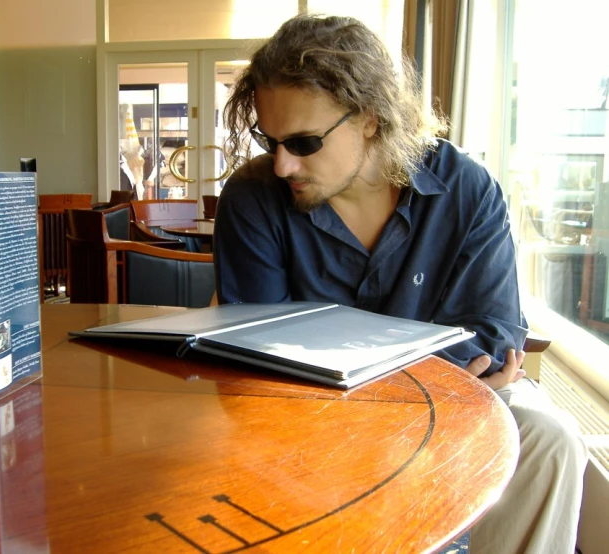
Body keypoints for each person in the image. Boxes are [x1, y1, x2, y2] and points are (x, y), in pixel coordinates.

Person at [213, 13, 588, 554]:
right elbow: (259, 363)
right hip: (317, 417)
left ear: (369, 118)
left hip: (459, 398)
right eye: (267, 139)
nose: (281, 164)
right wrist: (412, 386)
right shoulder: (252, 199)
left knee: (551, 441)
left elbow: (495, 333)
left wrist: (385, 385)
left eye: (303, 141)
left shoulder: (465, 189)